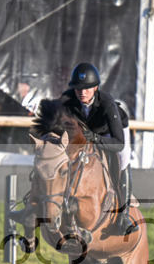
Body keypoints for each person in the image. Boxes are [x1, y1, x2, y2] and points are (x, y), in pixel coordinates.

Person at [11, 62, 135, 234]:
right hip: (84, 134)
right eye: (78, 89)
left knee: (124, 157)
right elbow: (52, 119)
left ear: (96, 87)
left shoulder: (107, 104)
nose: (82, 93)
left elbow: (119, 142)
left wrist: (96, 139)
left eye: (87, 89)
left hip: (109, 134)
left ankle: (124, 215)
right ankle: (31, 207)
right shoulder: (67, 98)